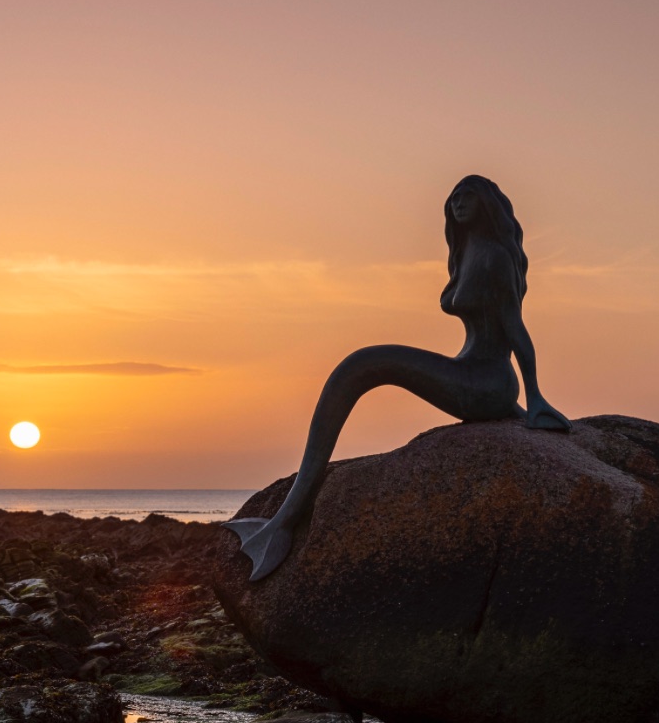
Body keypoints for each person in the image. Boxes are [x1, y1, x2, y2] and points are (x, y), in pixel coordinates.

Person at [224, 174, 570, 580]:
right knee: (358, 367)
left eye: (468, 196)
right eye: (454, 196)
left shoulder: (494, 256)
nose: (458, 202)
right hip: (473, 372)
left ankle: (282, 522)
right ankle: (283, 518)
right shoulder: (468, 251)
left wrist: (535, 400)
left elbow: (514, 327)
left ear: (487, 203)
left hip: (484, 383)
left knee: (360, 366)